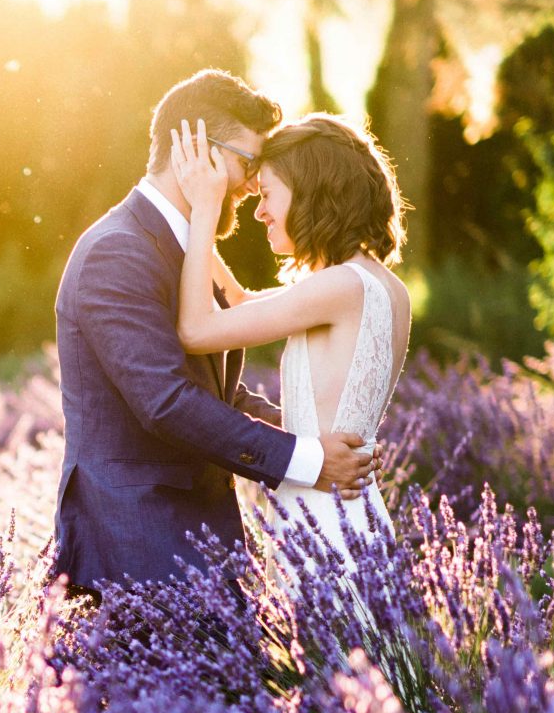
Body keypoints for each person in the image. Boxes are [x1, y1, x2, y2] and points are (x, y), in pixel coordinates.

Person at [52, 70, 376, 601]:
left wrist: (315, 435)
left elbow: (215, 392)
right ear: (195, 149)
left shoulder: (186, 248)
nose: (253, 187)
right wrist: (308, 462)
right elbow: (167, 402)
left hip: (196, 539)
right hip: (136, 543)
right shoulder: (118, 252)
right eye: (247, 164)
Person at [170, 112, 412, 564]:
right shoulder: (379, 285)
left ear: (310, 193)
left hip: (325, 520)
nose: (259, 211)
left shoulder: (339, 287)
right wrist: (189, 211)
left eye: (266, 195)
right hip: (349, 515)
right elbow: (240, 302)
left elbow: (196, 330)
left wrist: (204, 210)